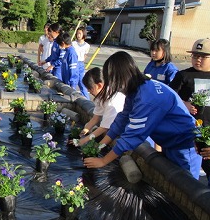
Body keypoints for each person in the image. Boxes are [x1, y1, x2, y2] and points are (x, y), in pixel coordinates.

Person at [84, 51, 201, 180]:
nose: (112, 86)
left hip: (185, 146)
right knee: (171, 183)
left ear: (120, 78)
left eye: (111, 81)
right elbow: (122, 119)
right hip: (171, 143)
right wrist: (101, 145)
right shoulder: (137, 89)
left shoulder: (146, 98)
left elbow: (132, 136)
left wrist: (103, 161)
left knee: (185, 187)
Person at [169, 38, 210, 185]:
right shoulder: (183, 76)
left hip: (208, 132)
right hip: (189, 130)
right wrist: (184, 104)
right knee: (187, 171)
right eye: (195, 56)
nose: (197, 60)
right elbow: (170, 98)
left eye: (203, 57)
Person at [71, 67, 125, 146]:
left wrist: (83, 141)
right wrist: (85, 129)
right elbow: (96, 117)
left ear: (99, 85)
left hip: (124, 128)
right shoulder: (100, 96)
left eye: (90, 89)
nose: (88, 91)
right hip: (111, 125)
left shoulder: (112, 101)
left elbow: (103, 128)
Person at [71, 27, 90, 98]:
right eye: (77, 33)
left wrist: (81, 62)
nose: (78, 35)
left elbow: (85, 55)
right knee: (73, 82)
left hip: (81, 64)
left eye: (80, 33)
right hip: (74, 63)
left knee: (82, 83)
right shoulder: (73, 43)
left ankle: (87, 100)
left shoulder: (87, 46)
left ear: (84, 34)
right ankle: (72, 98)